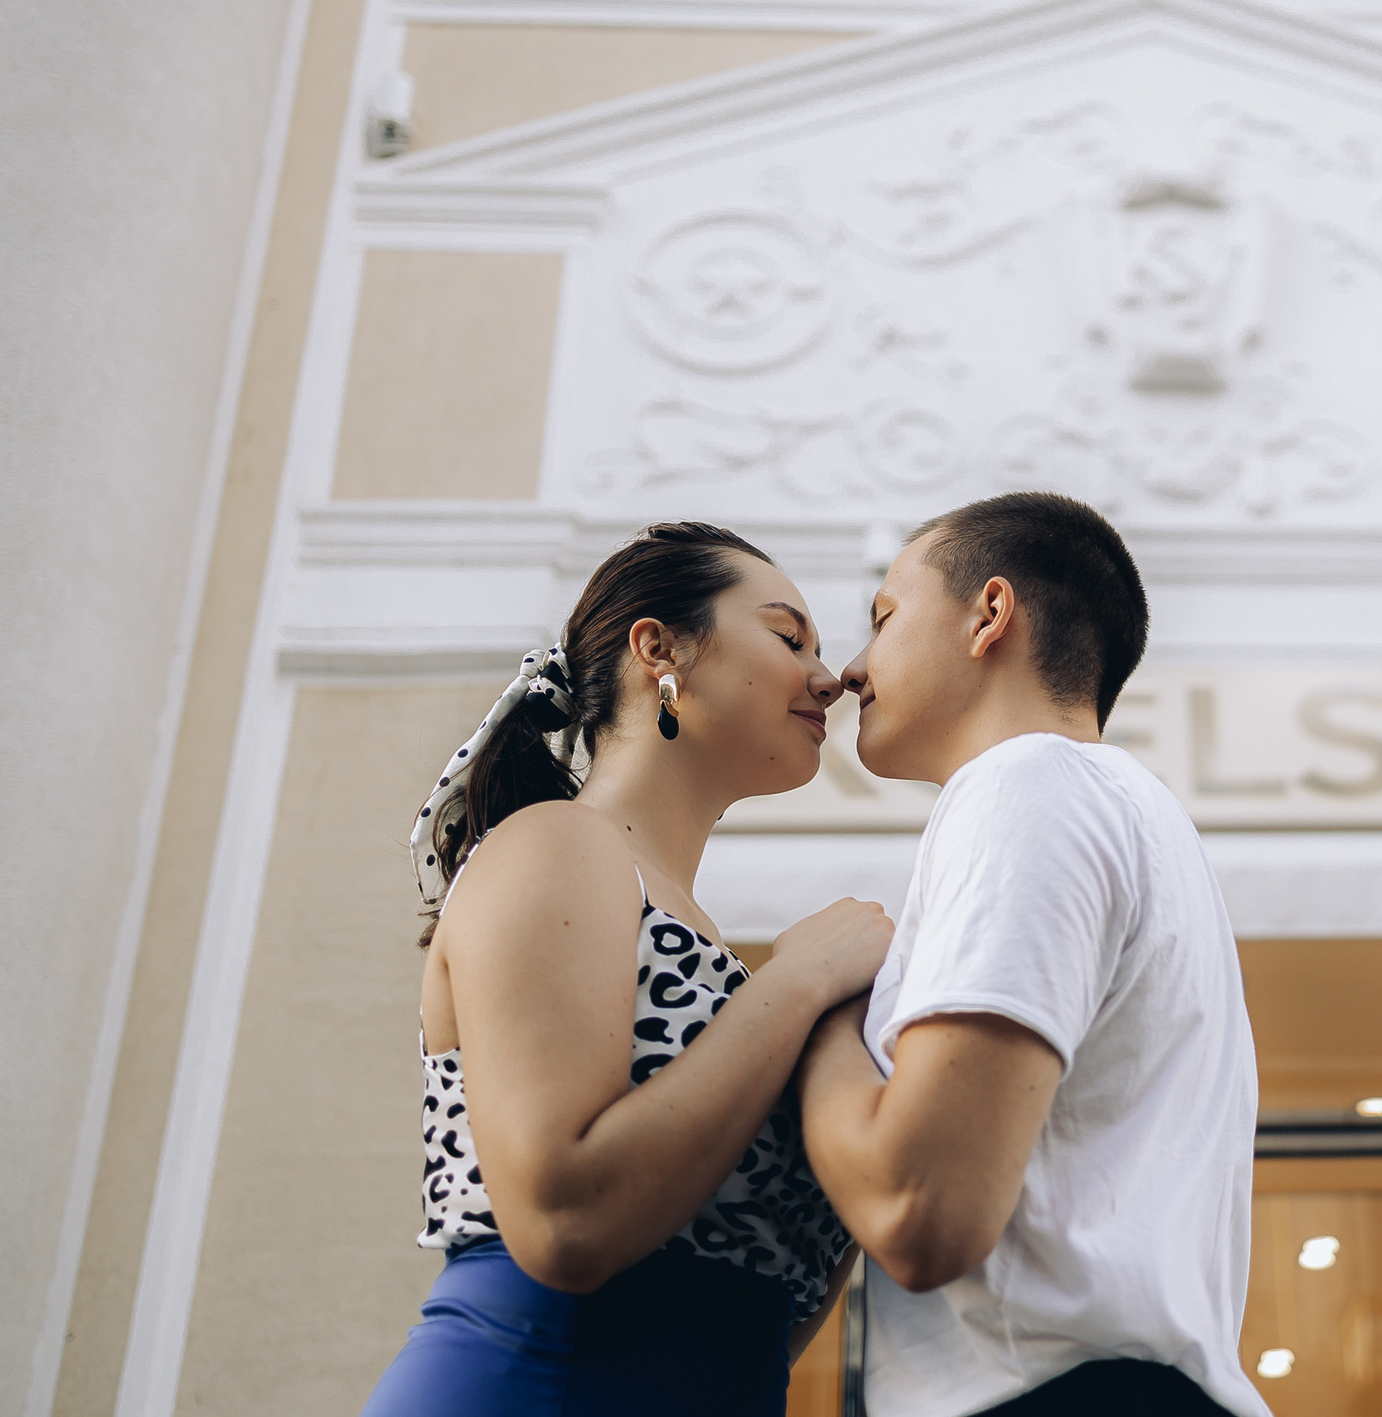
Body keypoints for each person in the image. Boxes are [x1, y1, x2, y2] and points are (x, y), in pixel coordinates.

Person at [362, 522, 894, 1417]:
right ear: (660, 649)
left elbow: (765, 1305)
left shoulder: (715, 963)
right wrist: (796, 982)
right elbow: (563, 1220)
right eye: (787, 636)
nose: (829, 674)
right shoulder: (558, 843)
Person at [796, 492, 1272, 1417]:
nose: (850, 669)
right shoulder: (1136, 812)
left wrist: (818, 1013)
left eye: (883, 619)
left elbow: (919, 1210)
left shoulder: (1026, 785)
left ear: (990, 614)